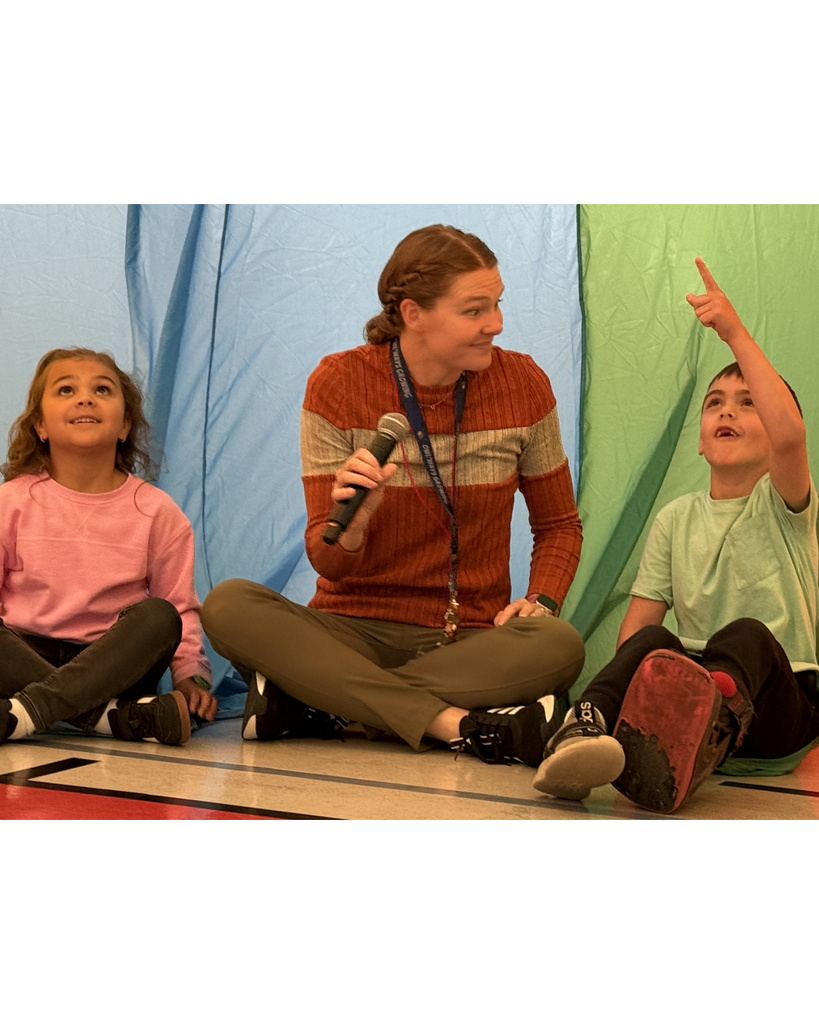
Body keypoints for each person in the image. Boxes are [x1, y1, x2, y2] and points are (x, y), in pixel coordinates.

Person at [202, 224, 585, 767]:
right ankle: (453, 722)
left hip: (469, 637)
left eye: (498, 304)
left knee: (559, 645)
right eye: (475, 310)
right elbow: (327, 561)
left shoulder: (523, 384)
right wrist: (355, 523)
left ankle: (321, 700)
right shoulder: (338, 382)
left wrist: (542, 600)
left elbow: (559, 527)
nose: (496, 324)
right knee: (228, 605)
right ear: (413, 313)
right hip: (349, 630)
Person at [533, 257, 819, 813]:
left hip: (776, 713)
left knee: (747, 633)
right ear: (700, 442)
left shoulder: (785, 505)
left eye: (749, 403)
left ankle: (702, 725)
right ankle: (583, 730)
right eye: (715, 404)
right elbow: (637, 629)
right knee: (649, 643)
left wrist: (733, 333)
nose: (727, 412)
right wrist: (628, 685)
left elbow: (791, 435)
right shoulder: (675, 518)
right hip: (686, 692)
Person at [0, 347, 216, 747]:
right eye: (66, 390)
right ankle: (112, 719)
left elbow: (181, 609)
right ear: (40, 426)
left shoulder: (157, 511)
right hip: (22, 656)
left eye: (102, 389)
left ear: (125, 425)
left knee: (160, 616)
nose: (85, 398)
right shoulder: (9, 502)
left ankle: (22, 715)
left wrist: (191, 676)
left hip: (116, 666)